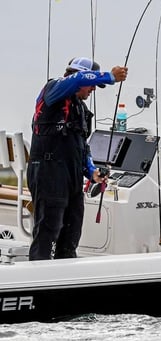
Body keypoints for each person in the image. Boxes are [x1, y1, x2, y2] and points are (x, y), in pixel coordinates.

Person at [27, 57, 128, 260]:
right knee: (49, 232)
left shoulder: (81, 109)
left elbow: (83, 147)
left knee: (72, 231)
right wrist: (110, 76)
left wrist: (92, 172)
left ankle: (66, 278)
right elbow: (77, 79)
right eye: (91, 86)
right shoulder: (53, 89)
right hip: (48, 172)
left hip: (71, 176)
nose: (93, 90)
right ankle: (40, 279)